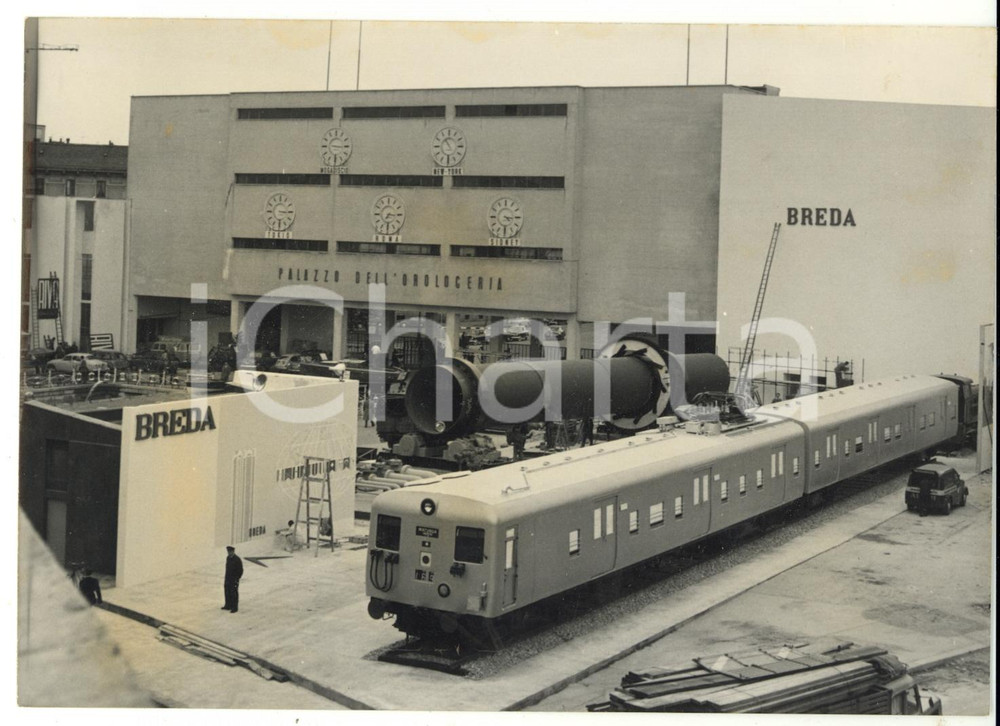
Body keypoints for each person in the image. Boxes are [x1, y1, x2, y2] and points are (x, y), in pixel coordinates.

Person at [222, 545, 243, 613]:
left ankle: (234, 607)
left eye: (230, 552)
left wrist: (237, 578)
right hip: (228, 578)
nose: (229, 553)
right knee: (227, 592)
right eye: (228, 552)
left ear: (233, 551)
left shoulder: (237, 559)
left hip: (234, 579)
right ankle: (228, 605)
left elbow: (240, 570)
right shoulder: (228, 558)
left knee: (234, 593)